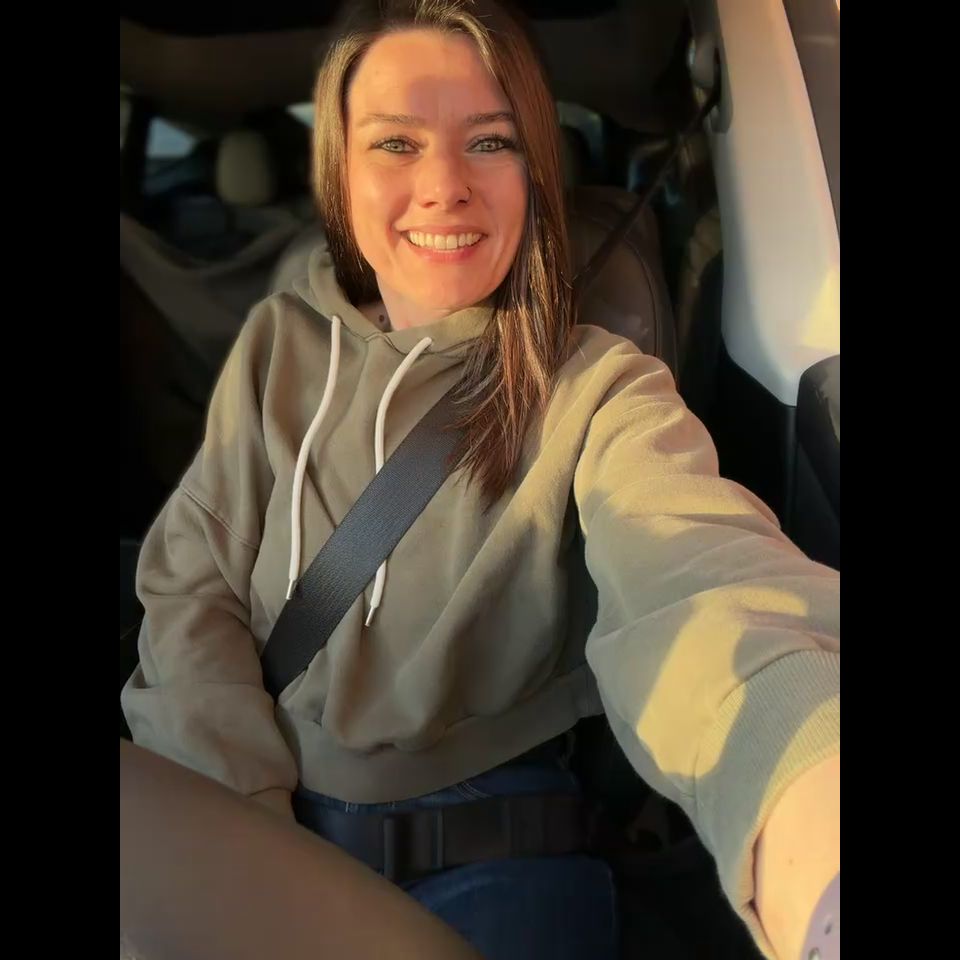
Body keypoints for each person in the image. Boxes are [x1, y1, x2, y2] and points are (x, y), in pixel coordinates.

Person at [121, 2, 839, 958]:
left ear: (534, 169)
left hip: (500, 860)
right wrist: (245, 824)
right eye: (396, 143)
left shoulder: (598, 388)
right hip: (258, 821)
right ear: (339, 172)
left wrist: (810, 822)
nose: (445, 186)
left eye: (490, 141)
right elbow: (191, 585)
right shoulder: (278, 345)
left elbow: (698, 584)